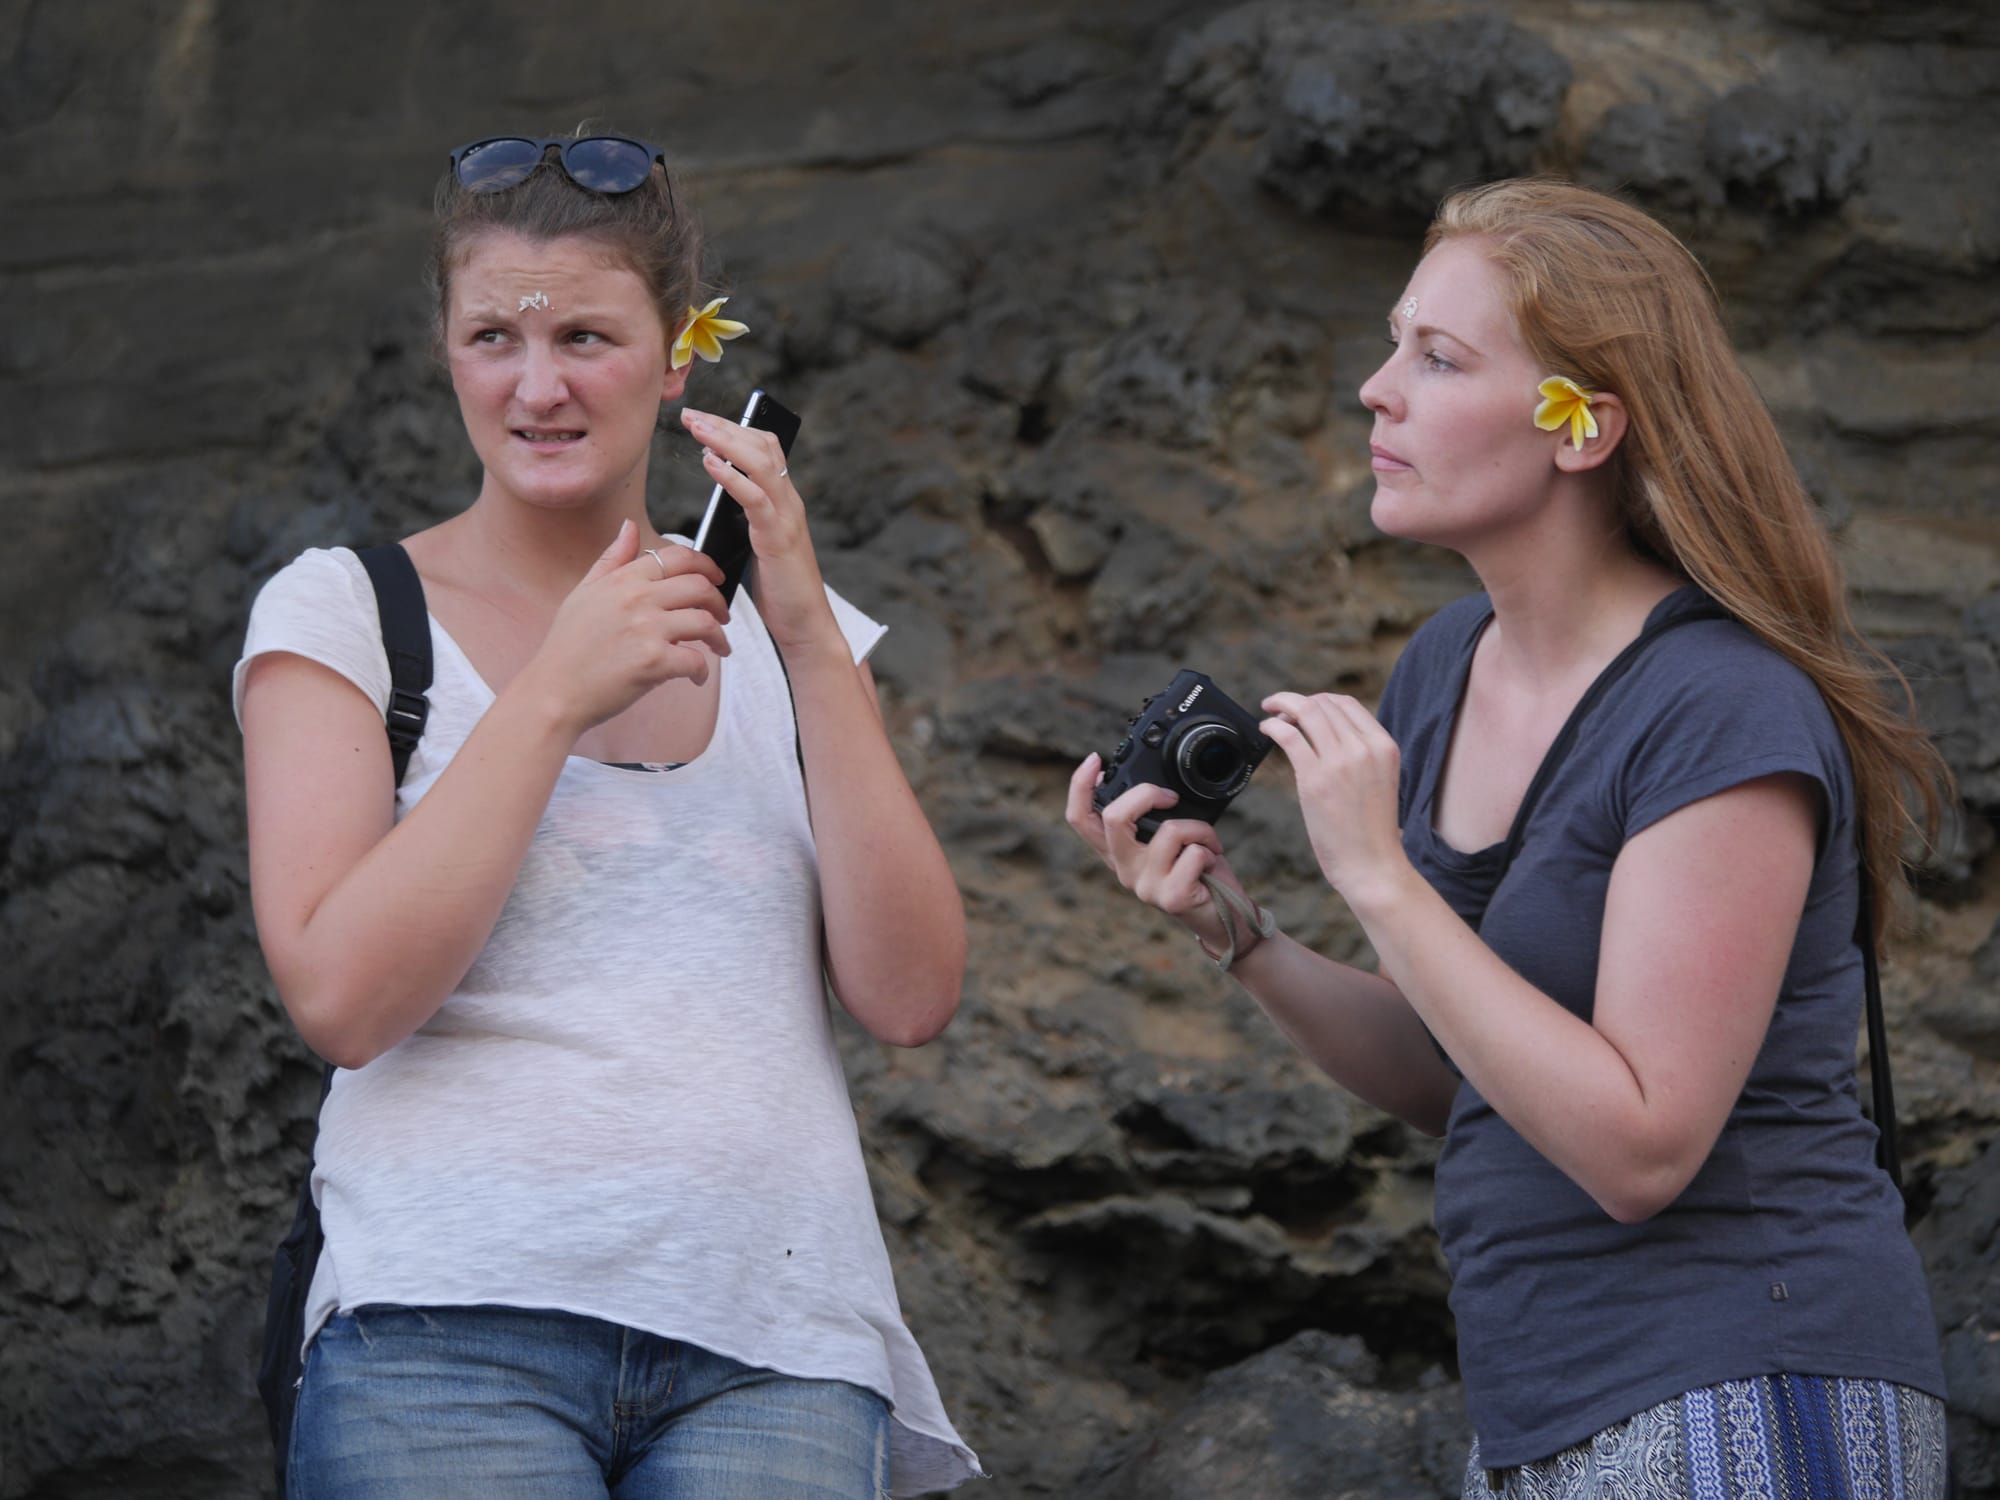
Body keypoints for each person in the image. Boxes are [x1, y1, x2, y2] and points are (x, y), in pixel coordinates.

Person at [1067, 178, 1951, 1498]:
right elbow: (1466, 1077)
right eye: (1394, 344)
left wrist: (1373, 872)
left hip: (1748, 1395)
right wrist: (1242, 938)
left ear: (1580, 429)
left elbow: (1640, 1146)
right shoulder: (1444, 668)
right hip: (1538, 1418)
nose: (1377, 389)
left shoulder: (1717, 706)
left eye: (1438, 357)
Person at [236, 132, 981, 1498]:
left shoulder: (791, 639)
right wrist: (553, 698)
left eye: (586, 334)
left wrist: (807, 635)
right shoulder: (343, 610)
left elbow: (912, 992)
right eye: (492, 340)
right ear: (447, 350)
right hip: (445, 1333)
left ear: (680, 354)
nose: (538, 386)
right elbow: (341, 998)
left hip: (782, 1344)